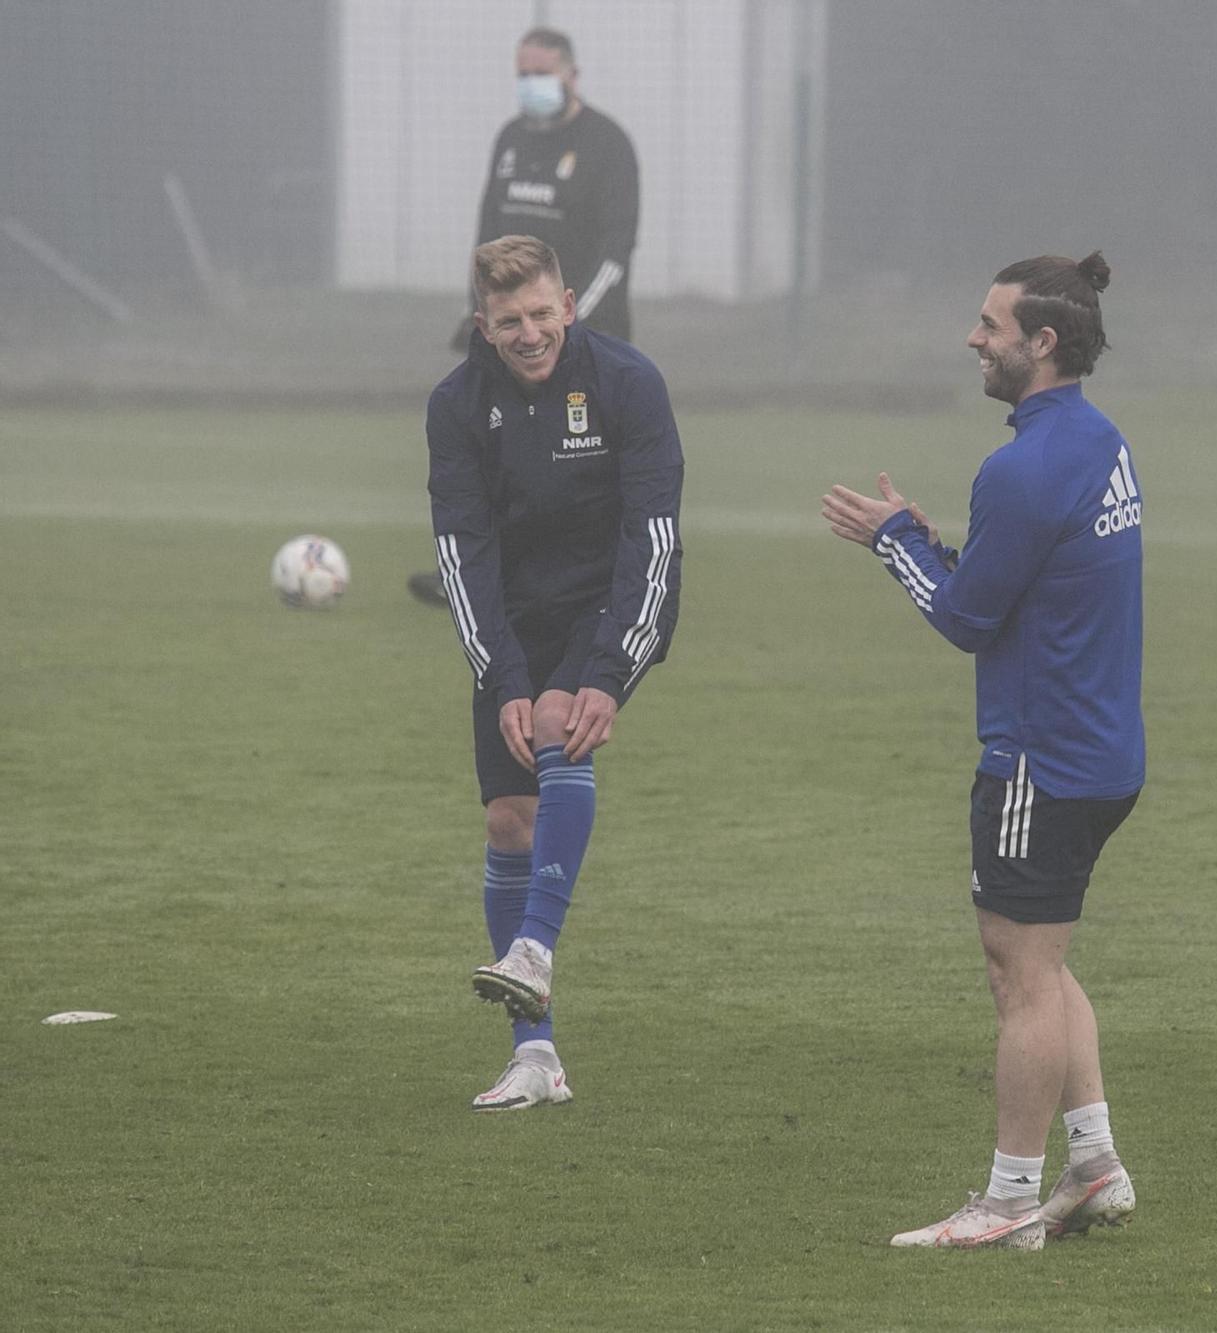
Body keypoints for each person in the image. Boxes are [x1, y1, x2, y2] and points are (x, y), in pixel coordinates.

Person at [821, 252, 1144, 1251]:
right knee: (1046, 963)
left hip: (1039, 760)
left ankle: (1007, 1202)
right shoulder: (1095, 438)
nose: (973, 337)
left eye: (988, 324)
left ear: (1039, 342)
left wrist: (893, 545)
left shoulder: (1021, 465)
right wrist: (923, 536)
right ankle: (1091, 1165)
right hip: (1101, 750)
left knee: (1021, 976)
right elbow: (1016, 584)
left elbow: (963, 620)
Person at [427, 235, 683, 1110]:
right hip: (514, 623)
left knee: (554, 731)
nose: (529, 333)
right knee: (507, 819)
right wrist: (501, 674)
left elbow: (652, 537)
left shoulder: (628, 383)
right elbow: (462, 552)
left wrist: (607, 669)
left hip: (610, 605)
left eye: (542, 314)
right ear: (483, 325)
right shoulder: (456, 405)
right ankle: (535, 1056)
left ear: (569, 306)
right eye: (510, 321)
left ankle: (532, 948)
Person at [413, 25, 642, 608]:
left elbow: (617, 251)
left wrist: (569, 325)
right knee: (494, 454)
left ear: (571, 73)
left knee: (581, 463)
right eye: (522, 74)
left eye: (541, 72)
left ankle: (605, 578)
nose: (530, 84)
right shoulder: (511, 138)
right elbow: (487, 237)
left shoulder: (607, 143)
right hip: (509, 338)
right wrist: (479, 315)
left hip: (583, 335)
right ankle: (470, 568)